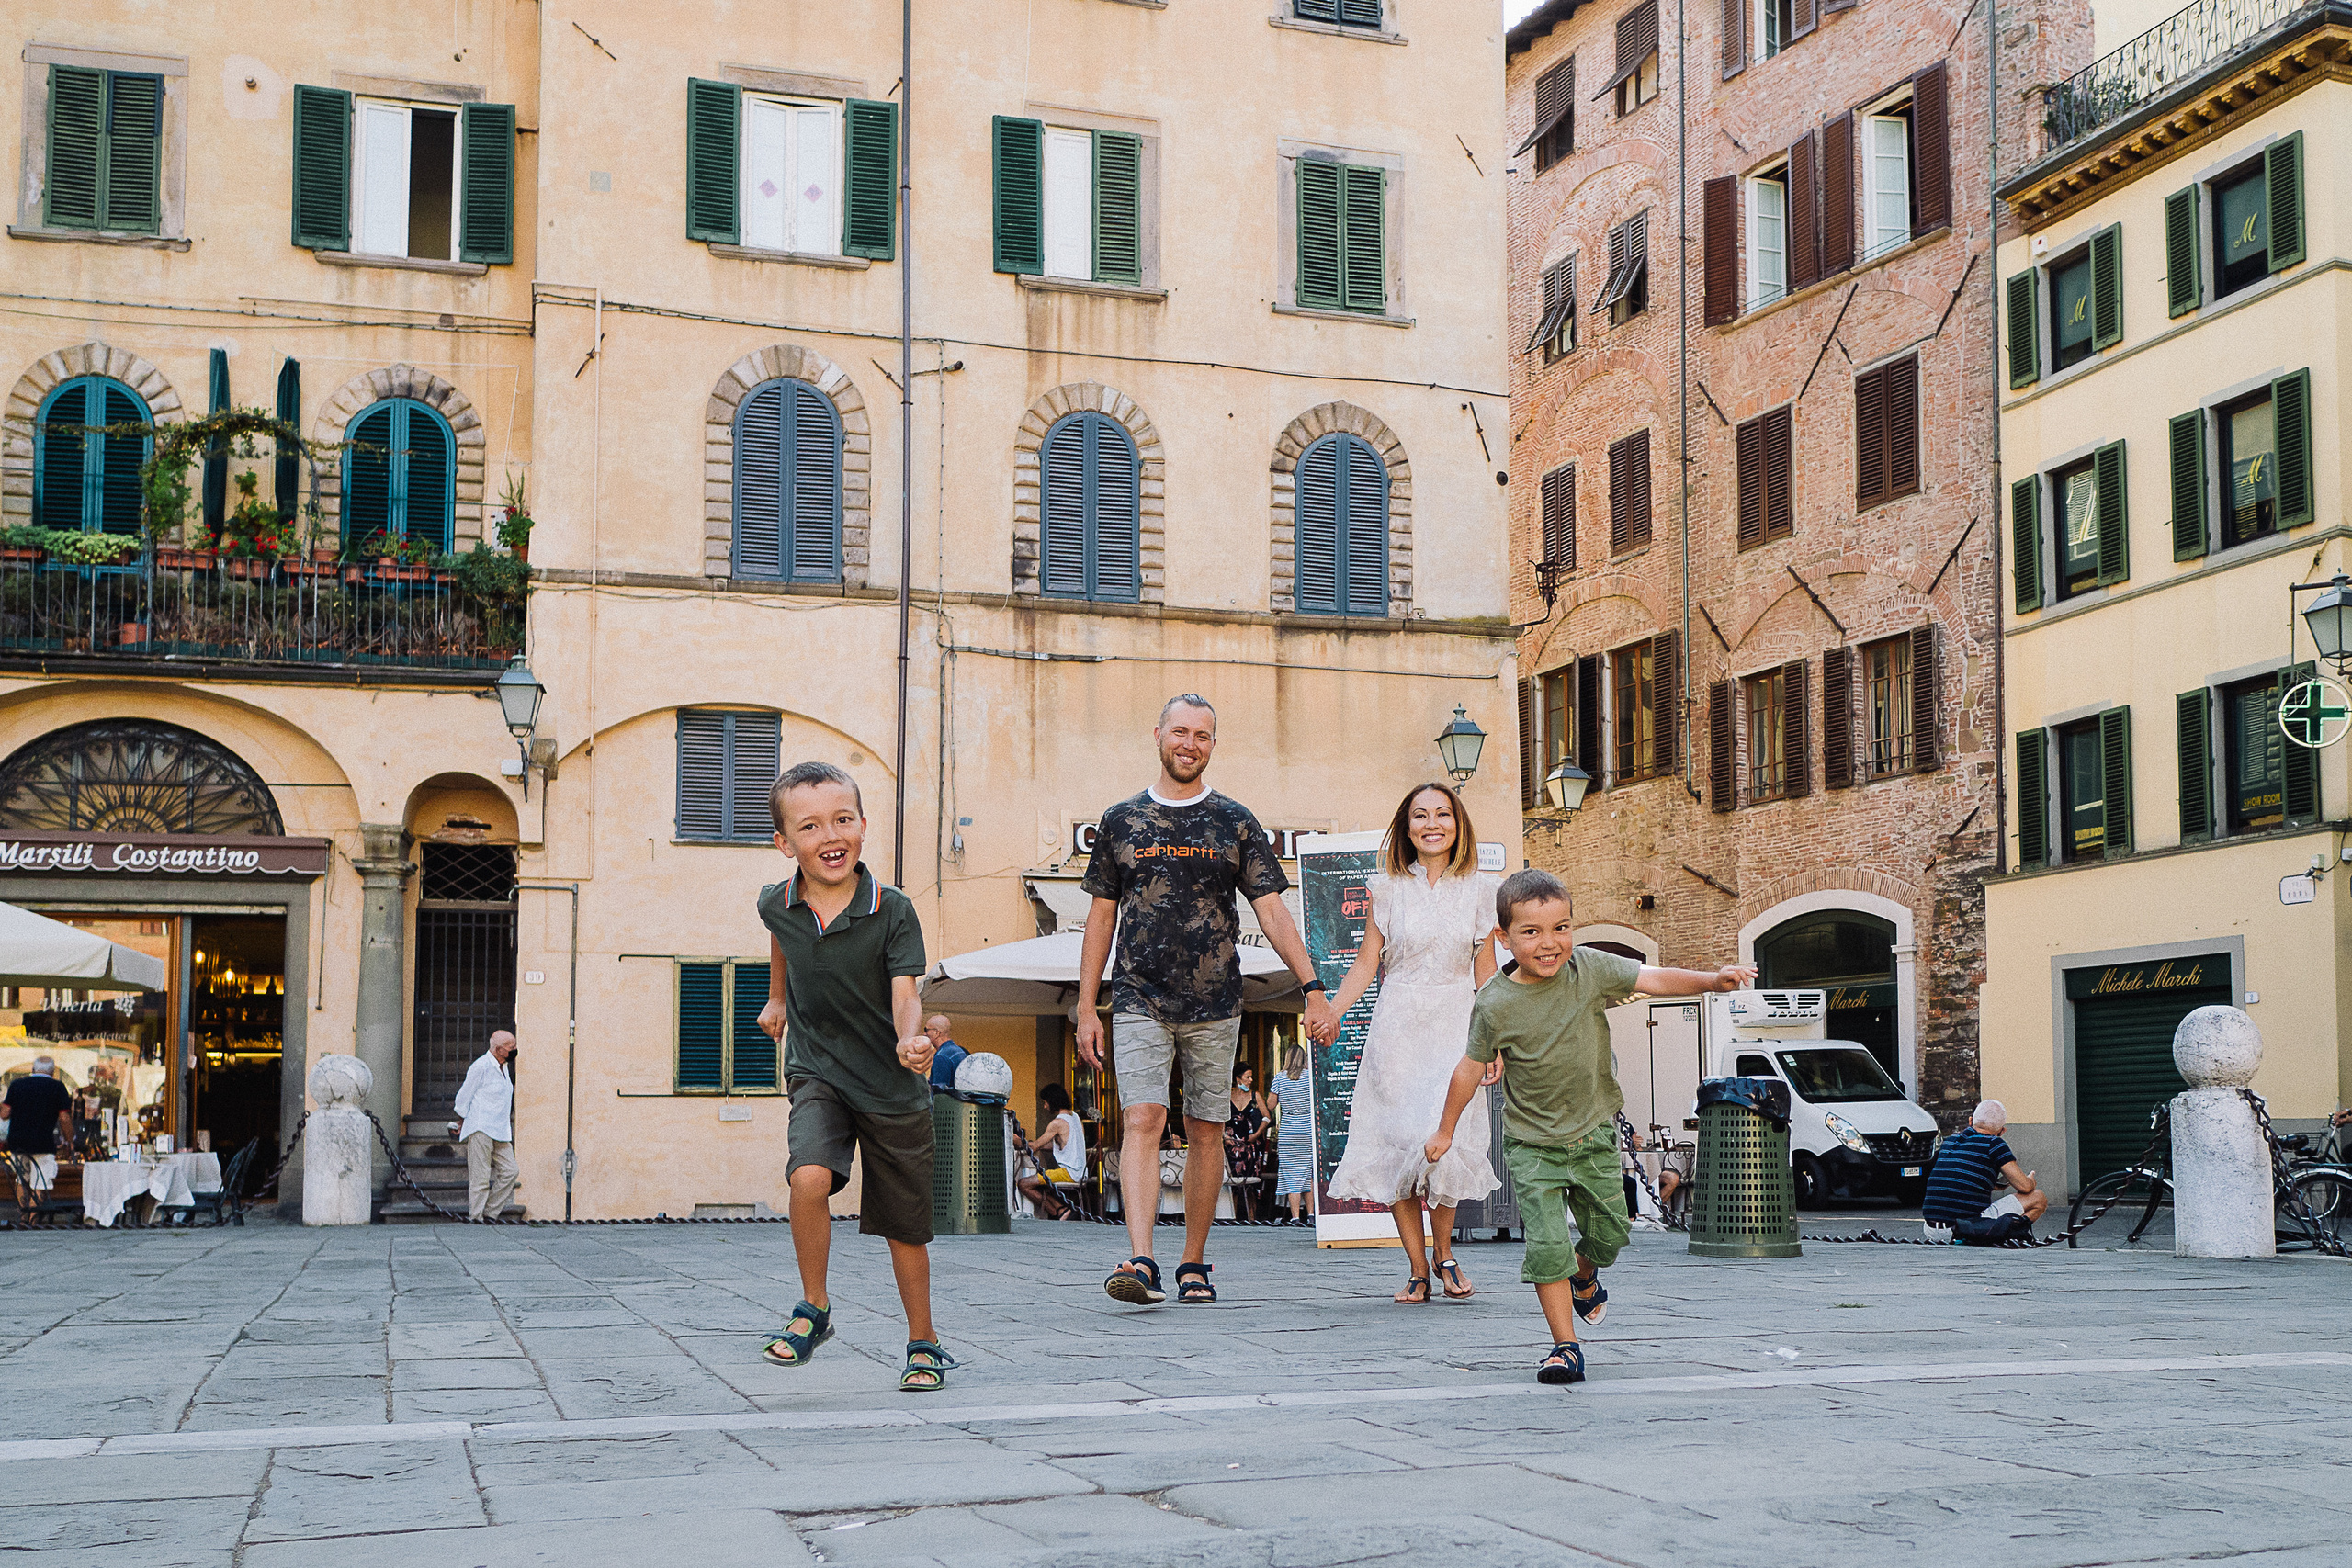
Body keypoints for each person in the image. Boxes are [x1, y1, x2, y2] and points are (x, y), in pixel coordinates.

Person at [1424, 869, 1755, 1386]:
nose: (1550, 943)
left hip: (1595, 1132)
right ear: (1503, 937)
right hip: (1532, 1144)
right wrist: (1445, 1130)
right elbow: (1470, 1067)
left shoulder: (1590, 969)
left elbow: (1651, 979)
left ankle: (1585, 1272)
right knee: (1547, 1244)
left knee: (1612, 1231)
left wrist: (1712, 981)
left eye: (1561, 927)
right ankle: (1565, 1347)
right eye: (1531, 932)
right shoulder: (1493, 1002)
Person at [1076, 694, 1338, 1305]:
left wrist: (1312, 985)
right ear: (1159, 734)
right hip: (1139, 995)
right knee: (1143, 1116)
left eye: (1202, 734)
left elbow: (1271, 909)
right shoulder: (1121, 820)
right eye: (1180, 731)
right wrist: (1087, 1004)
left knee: (1205, 1128)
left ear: (1212, 744)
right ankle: (1141, 1258)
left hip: (1216, 1001)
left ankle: (1193, 1259)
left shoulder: (1235, 821)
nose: (1189, 743)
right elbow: (1100, 916)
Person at [754, 761, 950, 1392]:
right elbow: (783, 935)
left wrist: (909, 1038)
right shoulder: (776, 901)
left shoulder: (892, 909)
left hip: (892, 1085)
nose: (829, 834)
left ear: (864, 826)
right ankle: (815, 1307)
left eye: (842, 819)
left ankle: (923, 1339)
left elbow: (904, 990)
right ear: (785, 843)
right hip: (817, 1070)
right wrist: (777, 997)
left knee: (904, 1227)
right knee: (808, 1176)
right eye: (809, 825)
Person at [1318, 781, 1502, 1303]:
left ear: (1458, 824)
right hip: (1396, 1030)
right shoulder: (1387, 887)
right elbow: (1366, 963)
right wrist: (1332, 1010)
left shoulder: (1480, 889)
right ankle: (1418, 1268)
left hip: (1455, 1029)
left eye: (1442, 813)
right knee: (1399, 1146)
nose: (1431, 824)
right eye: (1420, 815)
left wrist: (1498, 1042)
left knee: (1444, 1142)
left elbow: (1486, 974)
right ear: (1406, 828)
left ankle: (1445, 1253)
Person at [1922, 1100, 2046, 1244]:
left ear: (1970, 1121)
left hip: (1931, 1229)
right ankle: (2010, 1233)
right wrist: (2030, 1180)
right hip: (1963, 1228)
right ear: (2002, 1131)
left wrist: (1993, 1183)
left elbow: (1961, 1179)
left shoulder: (1950, 1141)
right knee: (2038, 1198)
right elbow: (2025, 1187)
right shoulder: (1994, 1143)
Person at [448, 1032, 519, 1222]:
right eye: (511, 1047)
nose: (514, 1050)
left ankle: (490, 1213)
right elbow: (465, 1095)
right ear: (498, 1049)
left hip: (500, 1130)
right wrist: (461, 1119)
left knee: (511, 1171)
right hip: (481, 1128)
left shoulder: (503, 1068)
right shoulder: (481, 1067)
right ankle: (476, 1218)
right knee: (480, 1178)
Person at [3, 1056, 74, 1222]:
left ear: (33, 1070)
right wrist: (69, 1140)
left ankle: (23, 1217)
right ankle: (33, 1220)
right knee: (40, 1181)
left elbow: (5, 1113)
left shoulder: (17, 1085)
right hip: (43, 1142)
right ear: (53, 1071)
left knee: (21, 1179)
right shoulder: (57, 1087)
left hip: (18, 1141)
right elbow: (64, 1118)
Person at [1018, 1083, 1088, 1221]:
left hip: (1068, 1173)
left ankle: (1058, 1211)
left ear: (1052, 1101)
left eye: (1045, 1102)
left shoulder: (1057, 1123)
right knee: (1040, 1182)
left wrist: (1017, 1140)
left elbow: (1034, 1147)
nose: (1044, 1106)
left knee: (1024, 1184)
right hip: (1081, 1172)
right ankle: (1061, 1210)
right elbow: (1064, 1145)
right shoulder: (1075, 1117)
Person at [1272, 1044, 1314, 1224]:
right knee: (1308, 1173)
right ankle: (1311, 1215)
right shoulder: (1311, 1077)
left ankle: (1295, 1217)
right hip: (1308, 1129)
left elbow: (1271, 1104)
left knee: (1291, 1174)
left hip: (1289, 1129)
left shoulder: (1280, 1078)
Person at [1224, 1065, 1271, 1221]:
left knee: (1251, 1185)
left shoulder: (1255, 1096)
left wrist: (1257, 1134)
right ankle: (1233, 1216)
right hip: (1232, 1147)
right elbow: (1219, 1121)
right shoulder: (1227, 1097)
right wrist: (1225, 1137)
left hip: (1251, 1145)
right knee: (1234, 1184)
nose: (1250, 1080)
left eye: (1251, 1077)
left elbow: (1267, 1117)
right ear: (1238, 1079)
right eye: (1247, 1077)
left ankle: (1252, 1217)